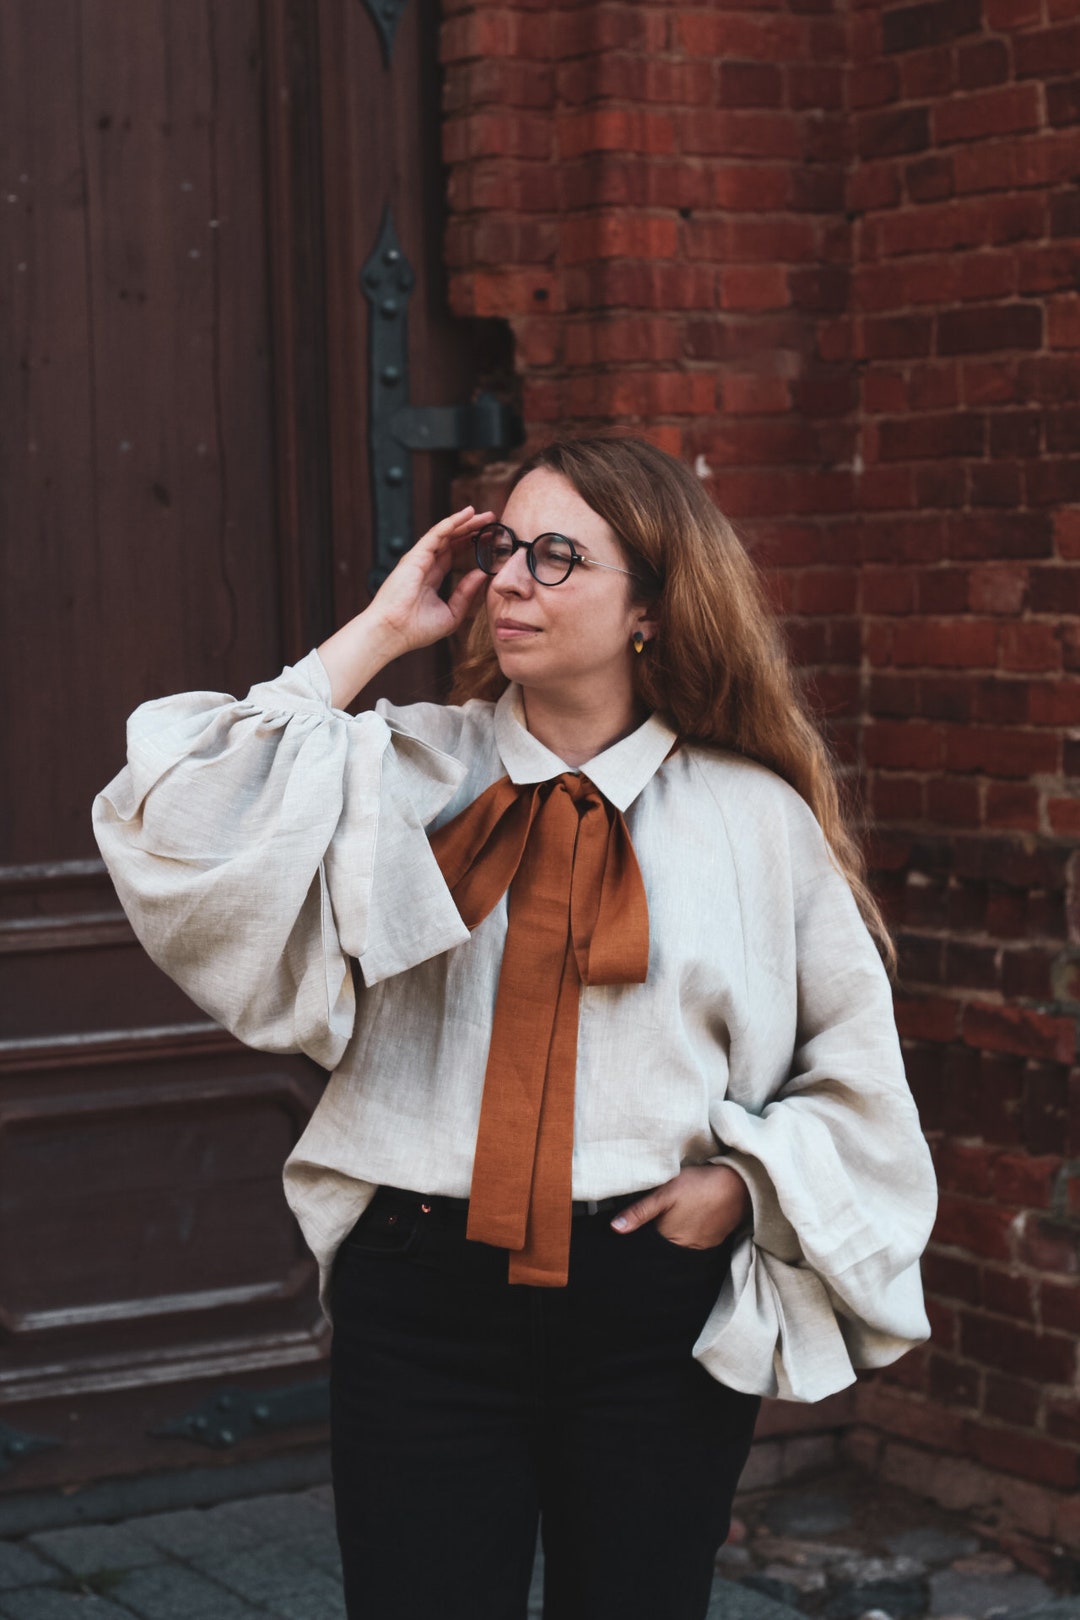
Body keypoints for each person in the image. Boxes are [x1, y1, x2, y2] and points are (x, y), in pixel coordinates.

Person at [93, 435, 937, 1620]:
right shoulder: (407, 771)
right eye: (505, 551)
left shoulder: (757, 820)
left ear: (651, 606)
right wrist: (386, 630)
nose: (517, 583)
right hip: (422, 1292)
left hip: (651, 1301)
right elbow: (176, 809)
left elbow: (856, 1074)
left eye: (560, 556)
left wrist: (744, 1190)